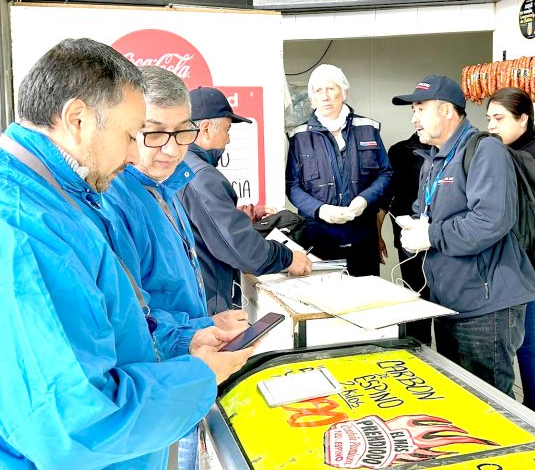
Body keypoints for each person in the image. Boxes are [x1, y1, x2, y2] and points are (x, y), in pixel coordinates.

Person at [0, 38, 253, 470]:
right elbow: (74, 425)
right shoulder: (16, 227)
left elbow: (109, 325)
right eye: (130, 135)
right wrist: (198, 376)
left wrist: (184, 339)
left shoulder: (39, 188)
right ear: (77, 119)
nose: (135, 153)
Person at [104, 66, 250, 469]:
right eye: (153, 133)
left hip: (188, 372)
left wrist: (208, 322)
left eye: (182, 132)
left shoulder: (168, 186)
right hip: (156, 386)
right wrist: (190, 334)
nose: (170, 149)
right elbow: (129, 317)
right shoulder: (115, 201)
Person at [392, 74, 535, 397]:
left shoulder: (485, 150)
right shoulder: (433, 160)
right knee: (461, 399)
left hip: (485, 307)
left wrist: (432, 235)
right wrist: (413, 229)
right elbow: (425, 211)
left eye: (420, 109)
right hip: (448, 302)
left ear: (446, 110)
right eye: (413, 111)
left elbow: (490, 221)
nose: (414, 118)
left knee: (490, 402)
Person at [179, 87, 312, 314]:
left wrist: (247, 213)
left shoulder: (180, 165)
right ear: (206, 128)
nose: (228, 139)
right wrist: (288, 258)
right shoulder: (202, 176)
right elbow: (242, 248)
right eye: (227, 130)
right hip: (206, 303)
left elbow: (205, 222)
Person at [487, 87, 535, 416]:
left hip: (534, 265)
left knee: (528, 340)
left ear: (523, 119)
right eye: (489, 119)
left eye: (499, 118)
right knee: (516, 340)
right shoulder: (507, 152)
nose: (491, 126)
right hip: (512, 263)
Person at [286, 64, 392, 277]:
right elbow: (292, 186)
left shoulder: (367, 128)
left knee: (366, 295)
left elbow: (385, 173)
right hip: (318, 238)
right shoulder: (300, 137)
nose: (325, 96)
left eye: (331, 89)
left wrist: (364, 200)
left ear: (343, 92)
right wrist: (320, 209)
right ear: (312, 98)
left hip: (362, 237)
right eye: (318, 91)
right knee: (323, 295)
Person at [384, 132, 433, 346]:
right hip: (410, 242)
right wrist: (378, 234)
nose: (416, 119)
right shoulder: (400, 151)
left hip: (444, 241)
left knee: (448, 313)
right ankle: (420, 351)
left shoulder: (463, 151)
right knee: (417, 303)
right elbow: (387, 197)